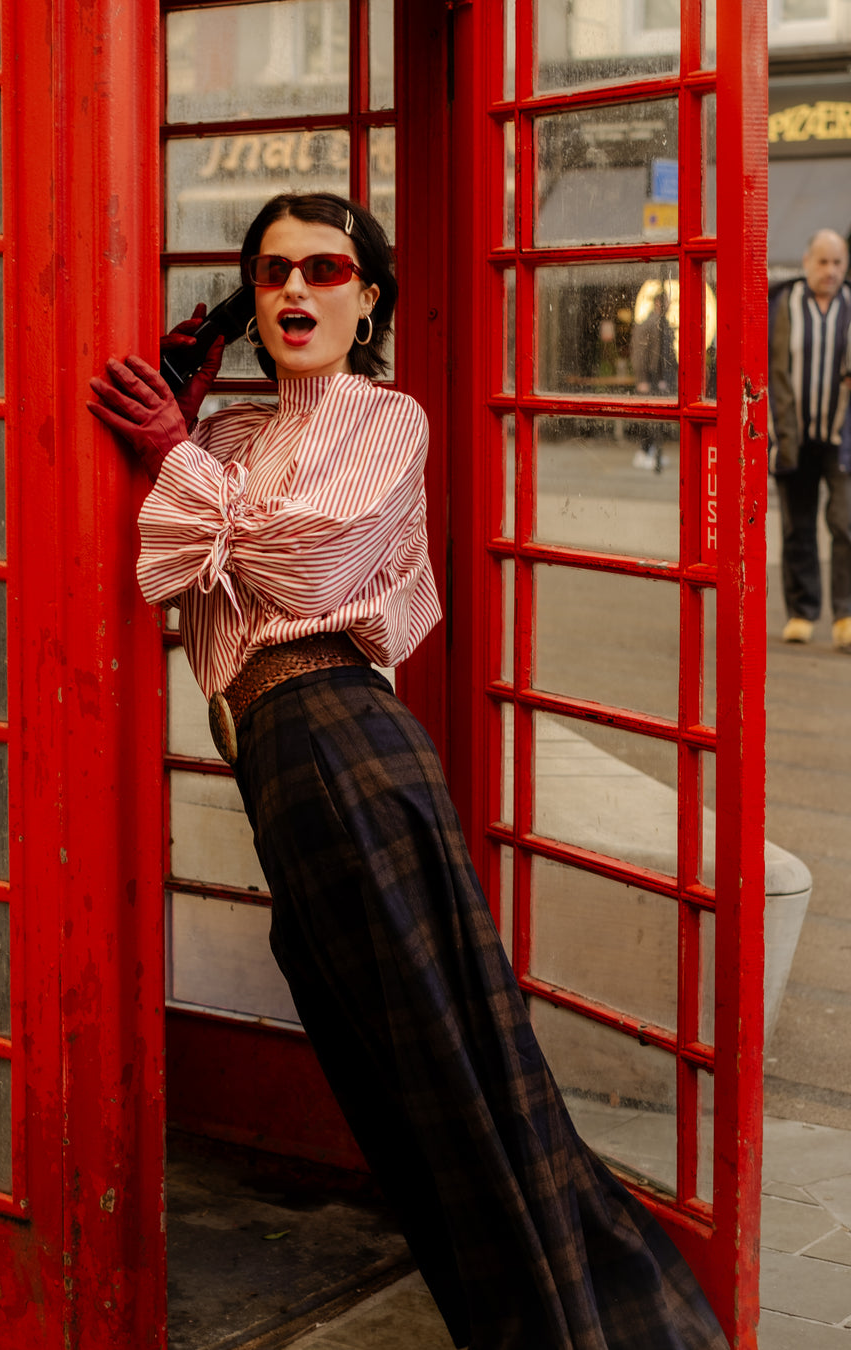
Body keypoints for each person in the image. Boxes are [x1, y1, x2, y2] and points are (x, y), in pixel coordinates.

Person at [88, 192, 728, 1350]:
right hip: (278, 769)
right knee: (396, 1099)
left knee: (462, 1085)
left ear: (368, 299)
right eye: (271, 271)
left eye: (325, 270)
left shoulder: (385, 420)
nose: (295, 289)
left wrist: (175, 458)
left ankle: (610, 1330)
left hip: (347, 748)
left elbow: (309, 565)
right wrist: (182, 429)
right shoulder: (225, 440)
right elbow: (168, 585)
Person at [768, 227, 851, 652]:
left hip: (843, 438)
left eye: (838, 262)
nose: (830, 271)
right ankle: (802, 612)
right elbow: (764, 366)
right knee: (797, 526)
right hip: (793, 435)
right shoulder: (782, 303)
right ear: (806, 262)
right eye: (823, 261)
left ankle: (846, 614)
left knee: (846, 523)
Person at [630, 286, 677, 472]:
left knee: (656, 417)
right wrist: (643, 378)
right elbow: (641, 352)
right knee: (650, 417)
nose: (668, 305)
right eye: (666, 302)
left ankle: (653, 451)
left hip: (659, 378)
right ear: (659, 303)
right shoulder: (651, 324)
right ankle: (645, 451)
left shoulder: (661, 323)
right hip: (651, 378)